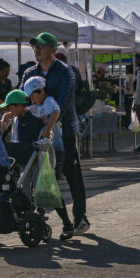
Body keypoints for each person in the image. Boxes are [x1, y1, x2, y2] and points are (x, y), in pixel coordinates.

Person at [20, 32, 88, 235]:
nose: (36, 50)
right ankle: (37, 214)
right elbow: (22, 98)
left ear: (52, 50)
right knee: (42, 175)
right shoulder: (29, 73)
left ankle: (80, 218)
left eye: (40, 46)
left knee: (71, 173)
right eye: (34, 47)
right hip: (39, 135)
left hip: (65, 131)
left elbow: (65, 102)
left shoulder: (66, 72)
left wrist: (50, 123)